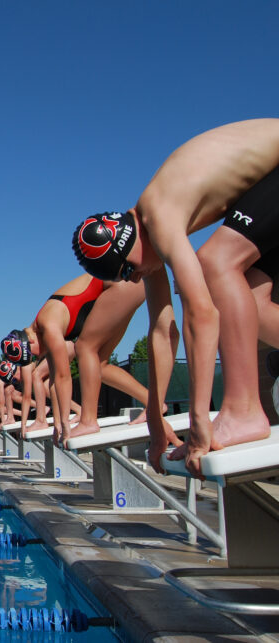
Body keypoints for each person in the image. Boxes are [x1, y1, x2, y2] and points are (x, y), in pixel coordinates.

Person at [71, 119, 279, 476]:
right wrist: (154, 420)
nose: (132, 278)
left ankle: (243, 410)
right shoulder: (149, 245)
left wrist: (200, 418)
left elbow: (202, 313)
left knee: (216, 263)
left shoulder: (159, 212)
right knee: (251, 303)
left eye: (126, 269)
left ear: (127, 241)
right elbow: (163, 333)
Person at [0, 274, 156, 445]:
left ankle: (88, 420)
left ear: (30, 340)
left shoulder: (48, 324)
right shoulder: (42, 331)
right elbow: (54, 383)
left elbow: (63, 377)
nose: (37, 357)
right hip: (130, 284)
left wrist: (66, 423)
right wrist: (58, 424)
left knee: (84, 347)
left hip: (122, 282)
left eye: (33, 354)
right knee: (99, 366)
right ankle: (153, 403)